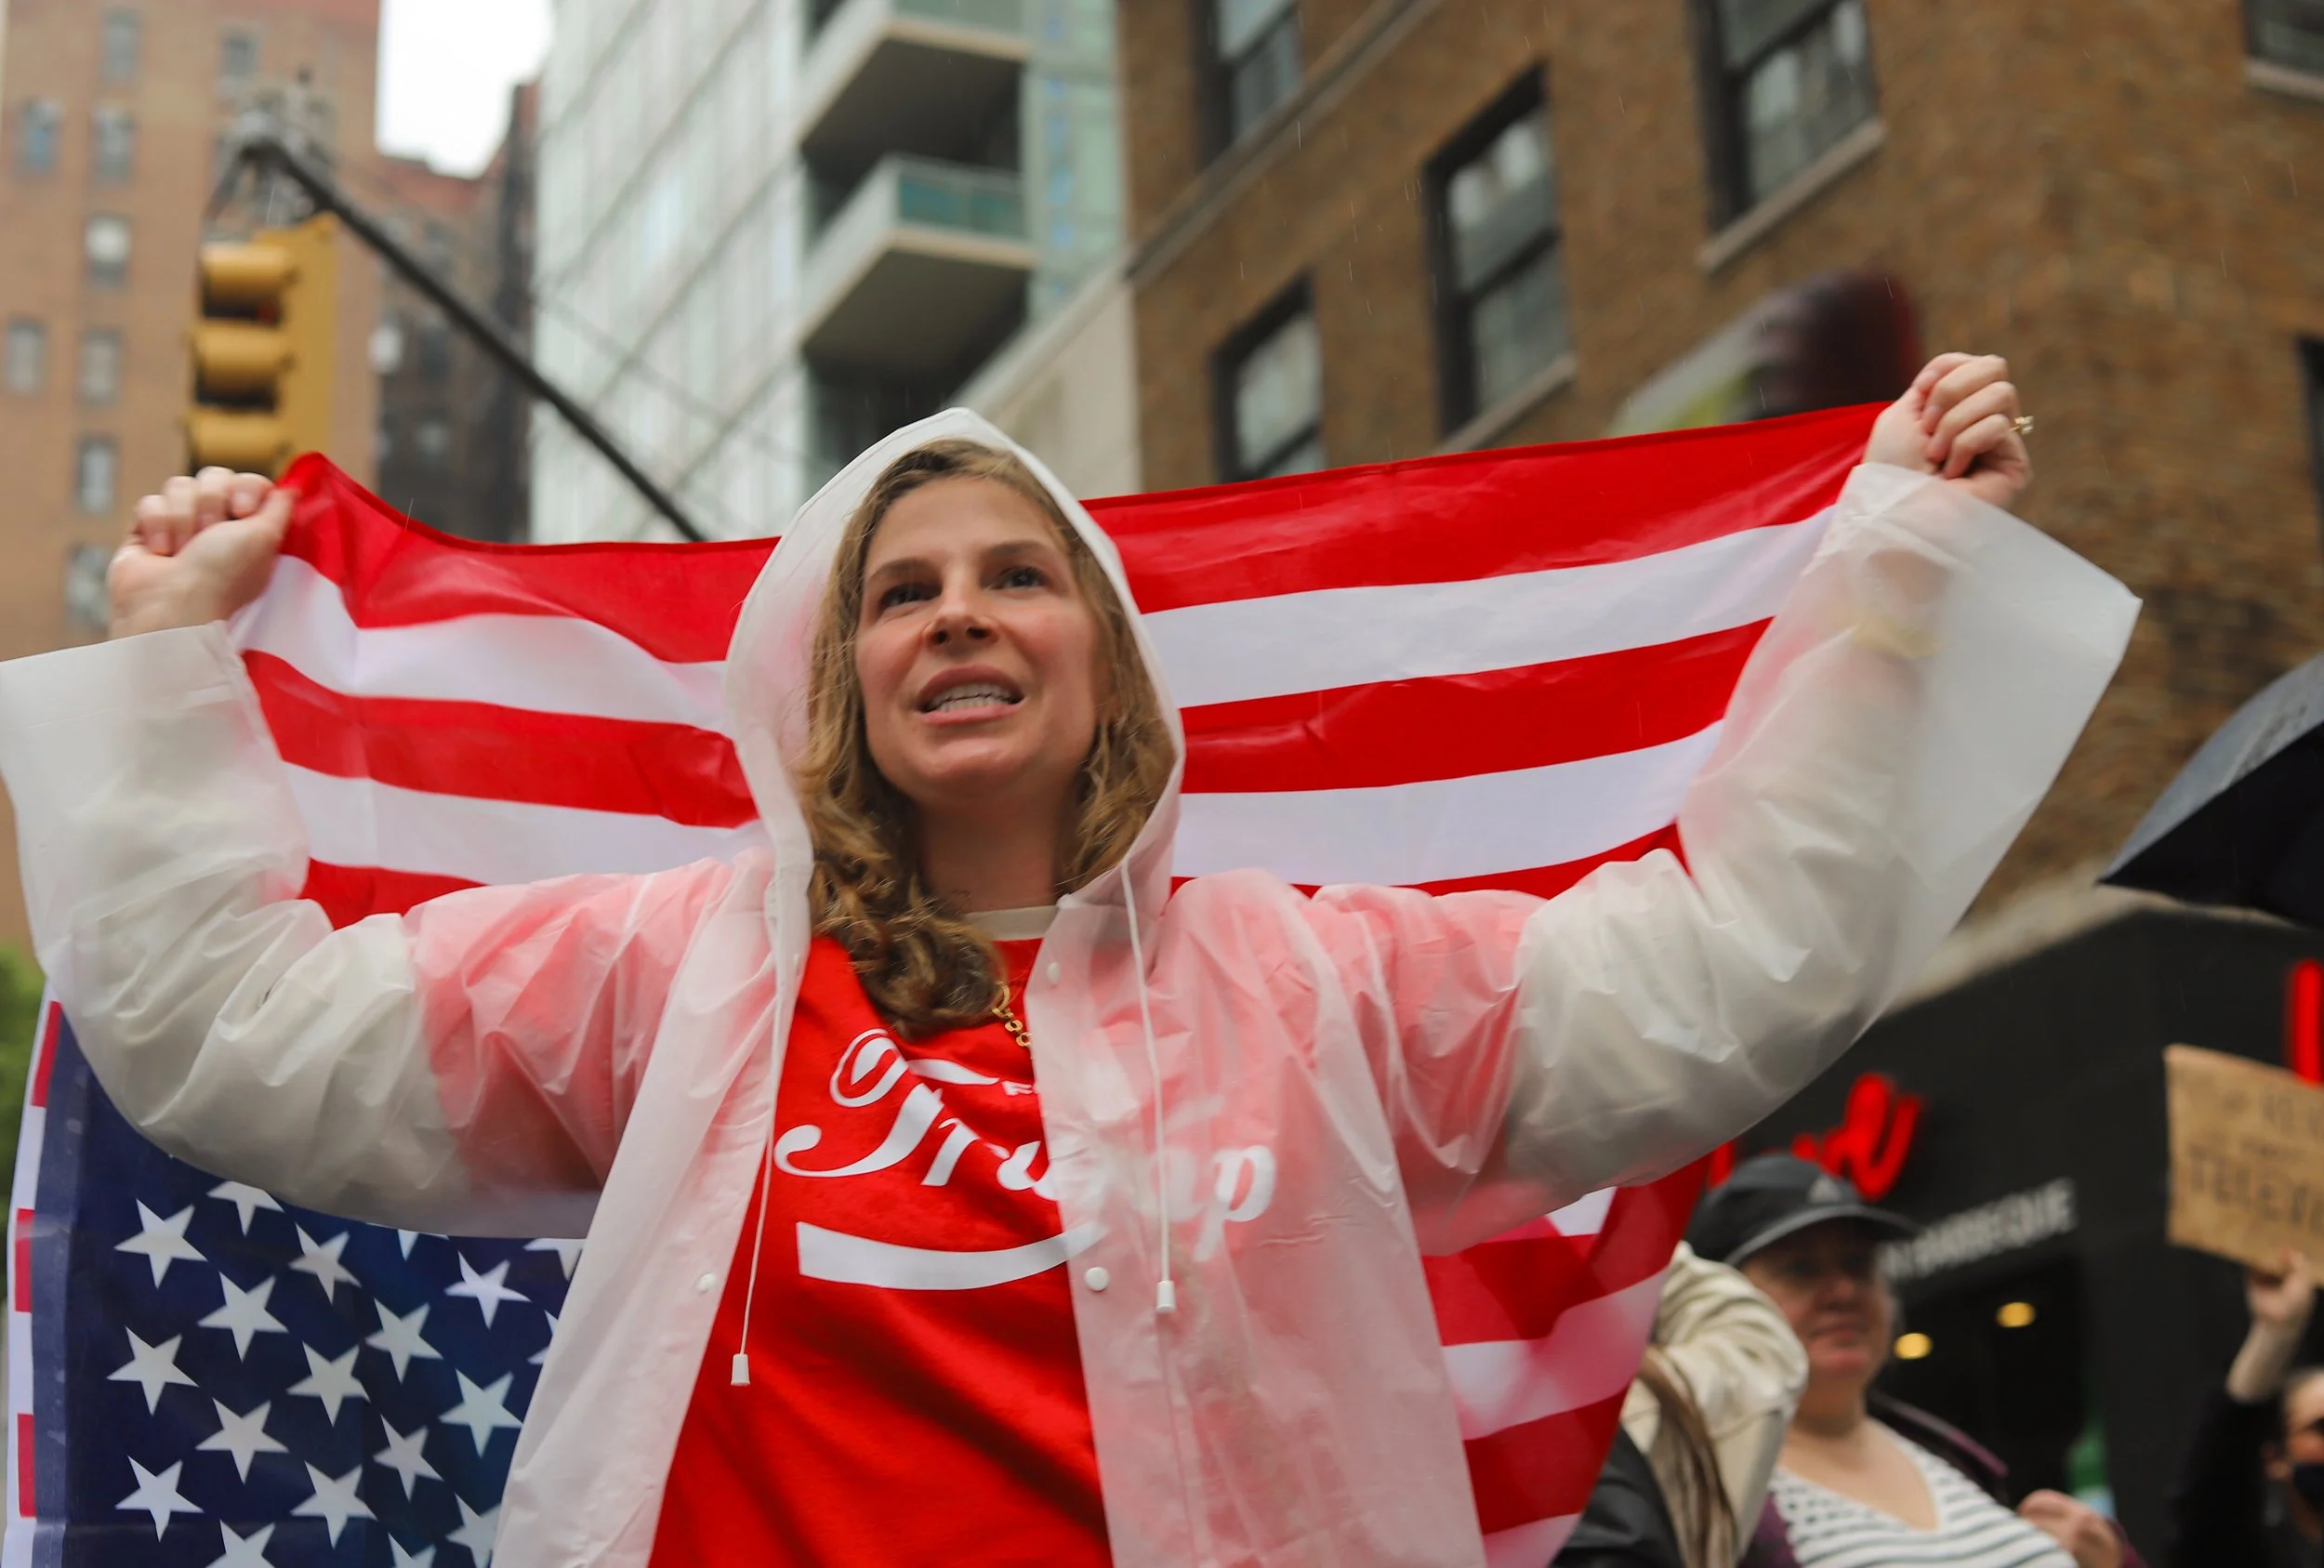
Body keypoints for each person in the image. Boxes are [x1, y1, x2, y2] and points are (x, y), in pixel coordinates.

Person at [0, 354, 2133, 1568]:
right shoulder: (669, 975)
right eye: (898, 584)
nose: (954, 611)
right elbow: (241, 1047)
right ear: (833, 672)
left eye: (1016, 576)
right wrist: (166, 659)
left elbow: (1723, 980)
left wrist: (1893, 600)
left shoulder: (1317, 983)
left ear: (1101, 669)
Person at [1689, 1155, 2141, 1568]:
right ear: (1720, 1299)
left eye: (1858, 1264)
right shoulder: (1703, 1486)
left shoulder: (1950, 1457)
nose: (1843, 1291)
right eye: (1800, 1269)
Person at [1557, 1243, 1807, 1568]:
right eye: (1799, 1271)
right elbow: (1753, 1334)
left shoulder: (1662, 1398)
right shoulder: (1666, 1403)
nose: (1841, 1292)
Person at [2166, 1249, 2324, 1566]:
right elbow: (2208, 1501)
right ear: (2275, 1457)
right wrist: (2274, 1337)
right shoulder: (2258, 1552)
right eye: (2321, 1428)